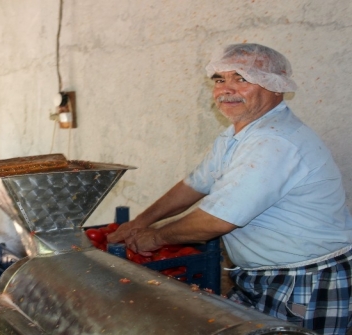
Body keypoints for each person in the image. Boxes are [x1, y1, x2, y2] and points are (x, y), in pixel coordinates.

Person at [108, 43, 352, 335]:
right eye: (219, 79)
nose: (226, 89)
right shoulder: (238, 134)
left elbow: (217, 219)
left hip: (306, 280)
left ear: (276, 86)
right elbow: (193, 185)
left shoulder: (274, 142)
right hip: (261, 276)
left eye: (242, 79)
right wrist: (140, 222)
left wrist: (156, 236)